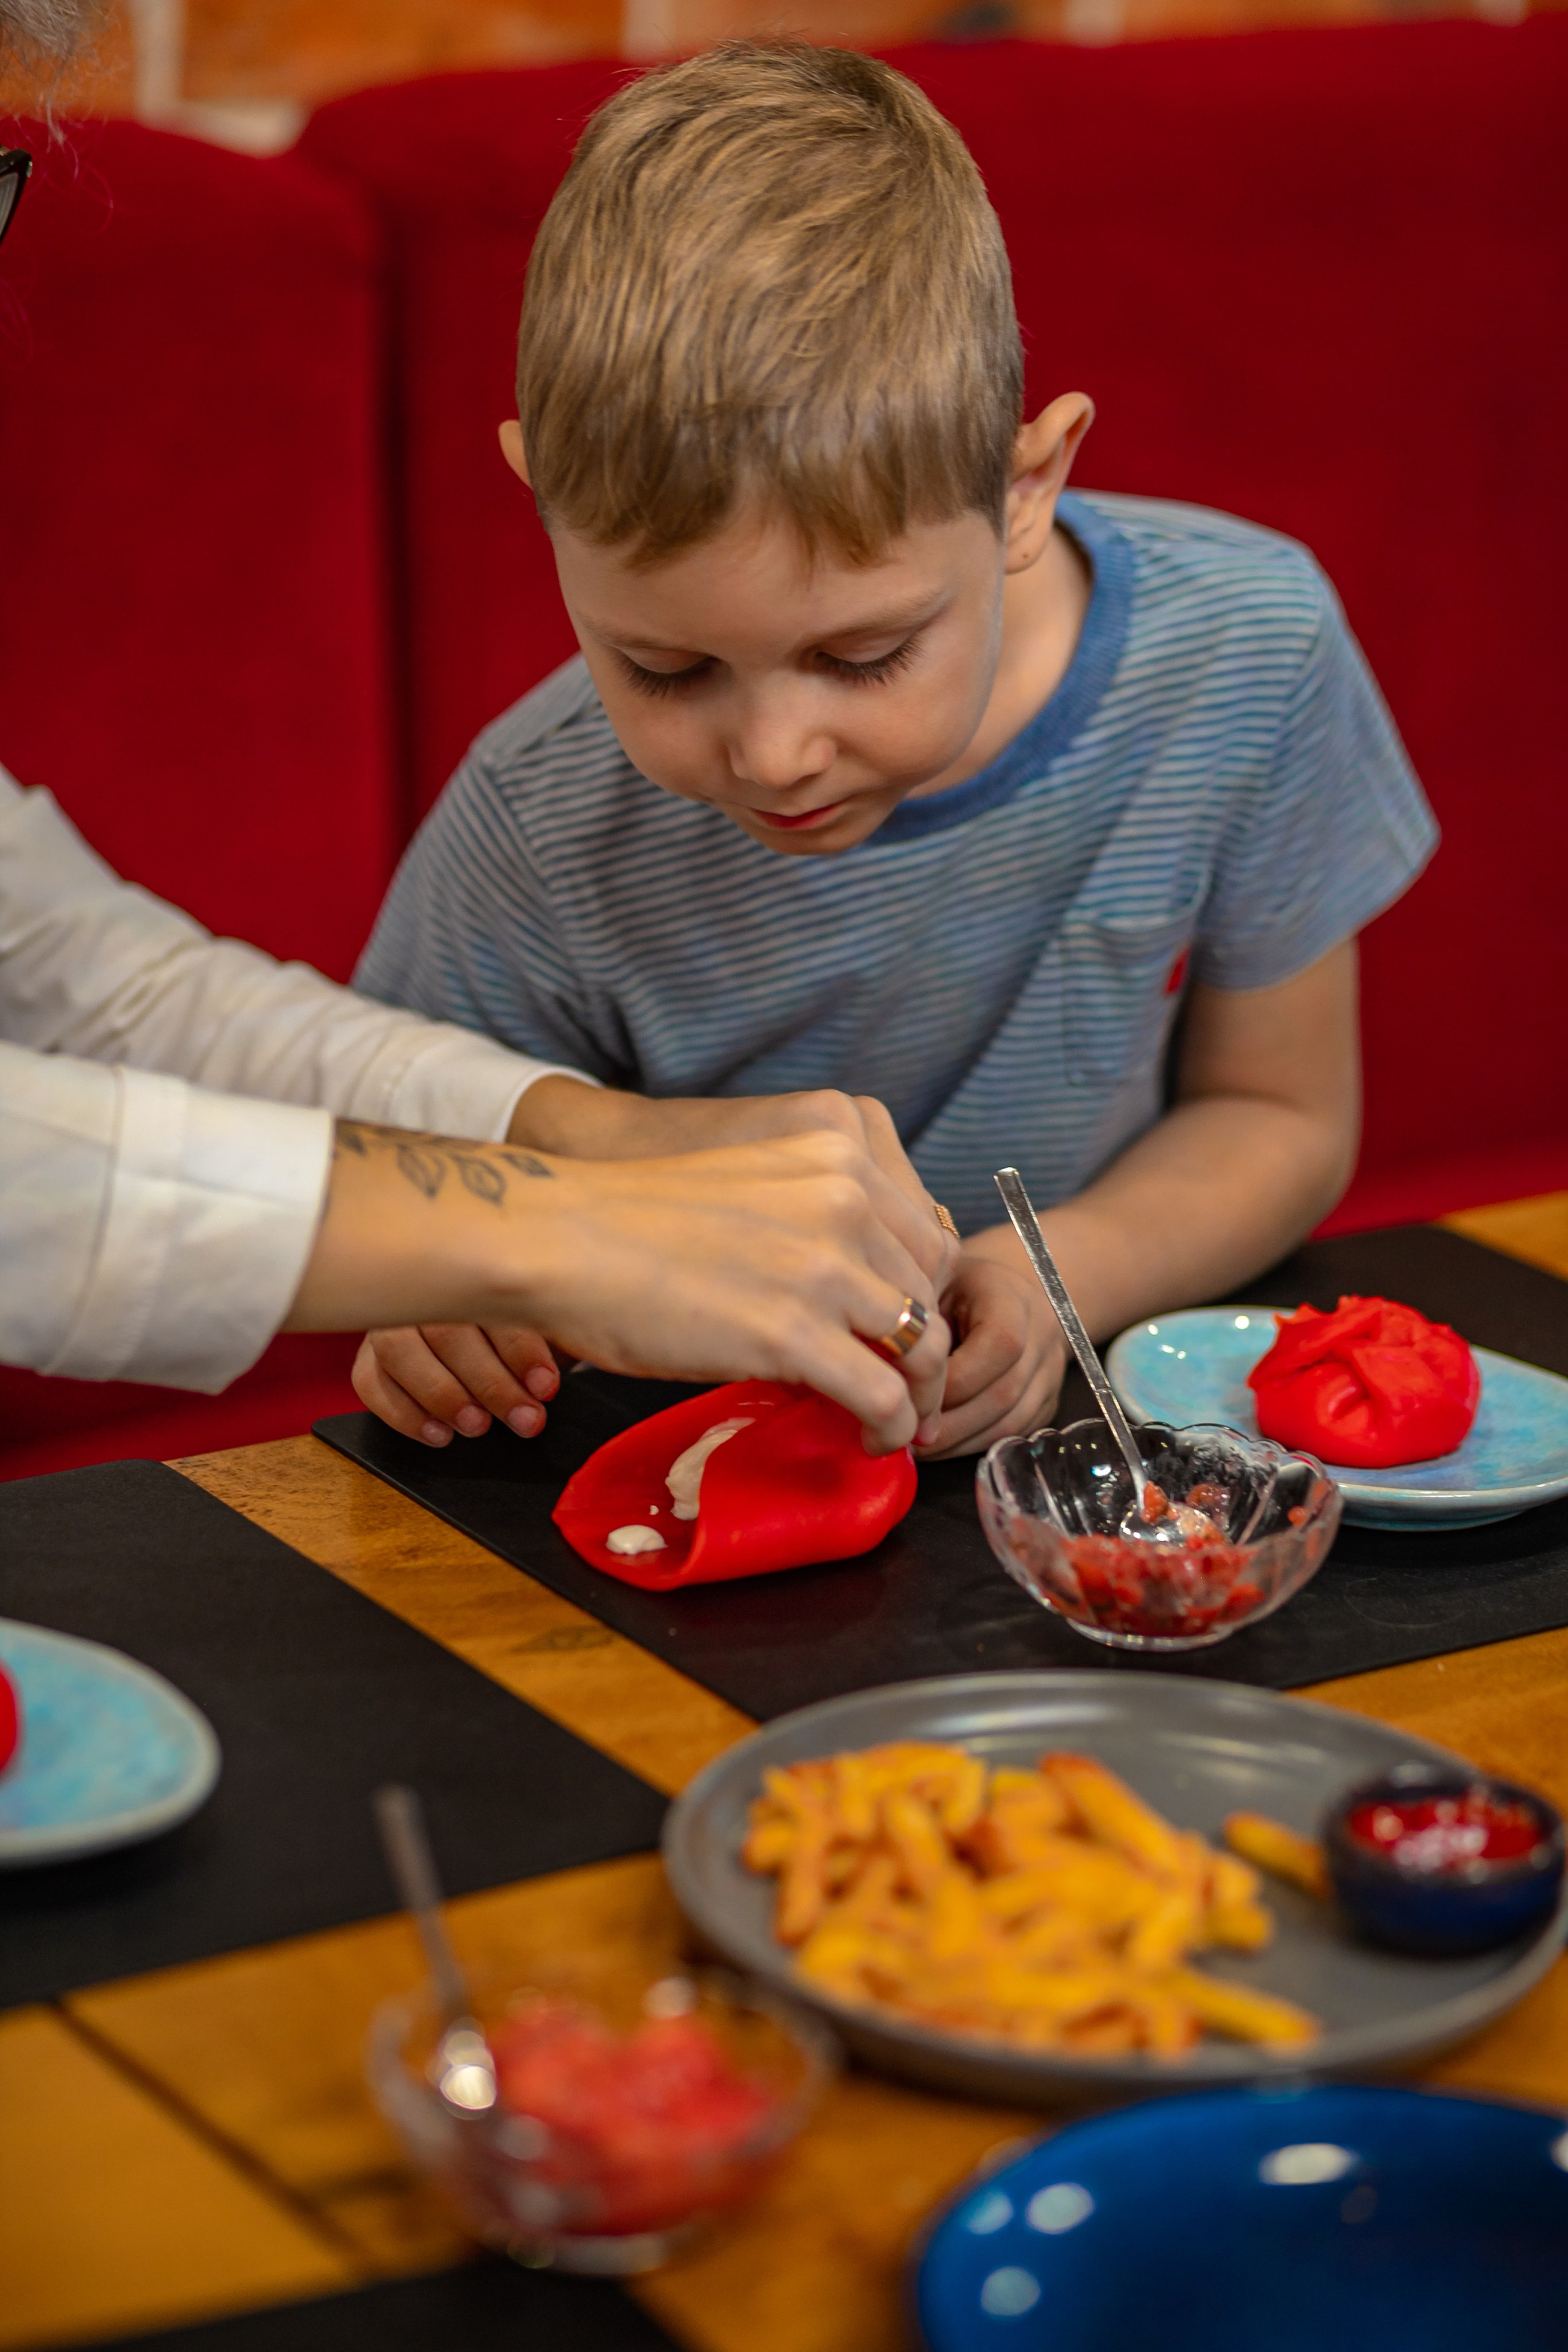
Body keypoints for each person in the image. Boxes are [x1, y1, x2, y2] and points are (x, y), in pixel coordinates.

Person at [354, 40, 1438, 1460]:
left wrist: (1057, 1272)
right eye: (663, 665)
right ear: (539, 509)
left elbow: (1279, 1115)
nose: (776, 752)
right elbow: (394, 1185)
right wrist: (440, 1299)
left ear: (1020, 493)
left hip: (1090, 1451)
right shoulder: (536, 816)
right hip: (677, 1475)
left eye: (861, 657)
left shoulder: (1245, 653)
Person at [0, 89, 951, 1457]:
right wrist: (559, 1228)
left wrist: (597, 1140)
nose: (777, 752)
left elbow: (92, 982)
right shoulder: (535, 811)